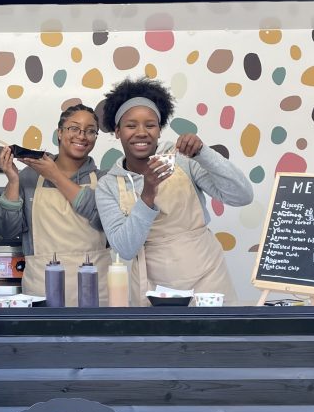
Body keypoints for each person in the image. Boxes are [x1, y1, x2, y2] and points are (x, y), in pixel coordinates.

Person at [95, 77, 253, 306]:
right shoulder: (108, 185)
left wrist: (203, 154)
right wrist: (148, 194)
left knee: (214, 341)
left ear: (159, 130)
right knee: (162, 343)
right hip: (152, 286)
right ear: (117, 132)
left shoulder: (184, 160)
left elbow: (242, 196)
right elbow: (125, 248)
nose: (141, 132)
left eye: (150, 125)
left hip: (207, 277)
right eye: (131, 125)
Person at [0, 103, 110, 306]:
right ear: (59, 133)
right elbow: (7, 230)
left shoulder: (104, 179)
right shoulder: (28, 178)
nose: (82, 136)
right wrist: (13, 180)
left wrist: (54, 175)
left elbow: (101, 217)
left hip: (95, 291)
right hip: (42, 290)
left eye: (90, 131)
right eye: (74, 128)